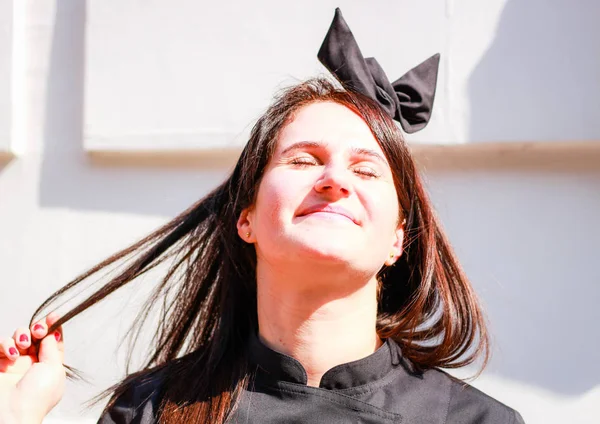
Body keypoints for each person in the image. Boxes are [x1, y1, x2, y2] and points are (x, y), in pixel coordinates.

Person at [0, 9, 525, 424]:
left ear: (397, 238)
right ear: (245, 216)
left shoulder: (478, 422)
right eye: (303, 160)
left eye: (366, 170)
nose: (334, 179)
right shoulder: (150, 410)